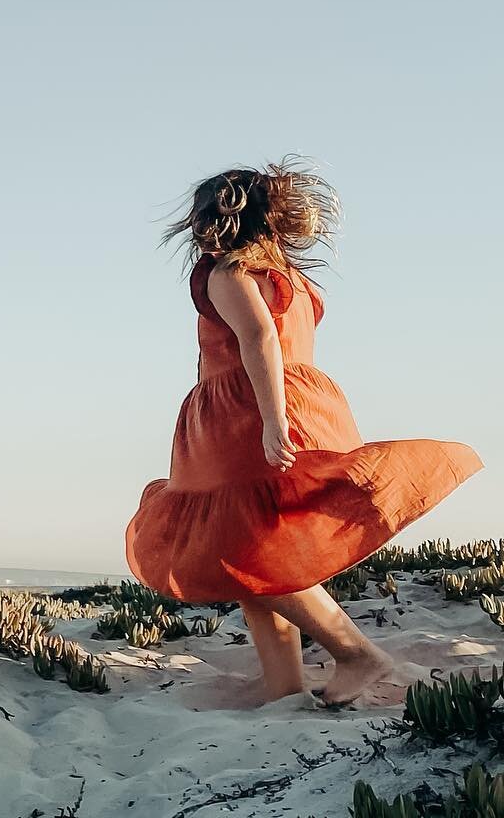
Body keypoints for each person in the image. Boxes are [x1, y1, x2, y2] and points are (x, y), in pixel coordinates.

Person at [125, 164, 481, 705]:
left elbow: (259, 340)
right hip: (298, 399)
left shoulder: (228, 274)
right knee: (260, 547)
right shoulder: (287, 275)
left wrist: (270, 418)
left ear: (219, 219)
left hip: (247, 412)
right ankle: (283, 684)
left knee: (238, 549)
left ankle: (357, 653)